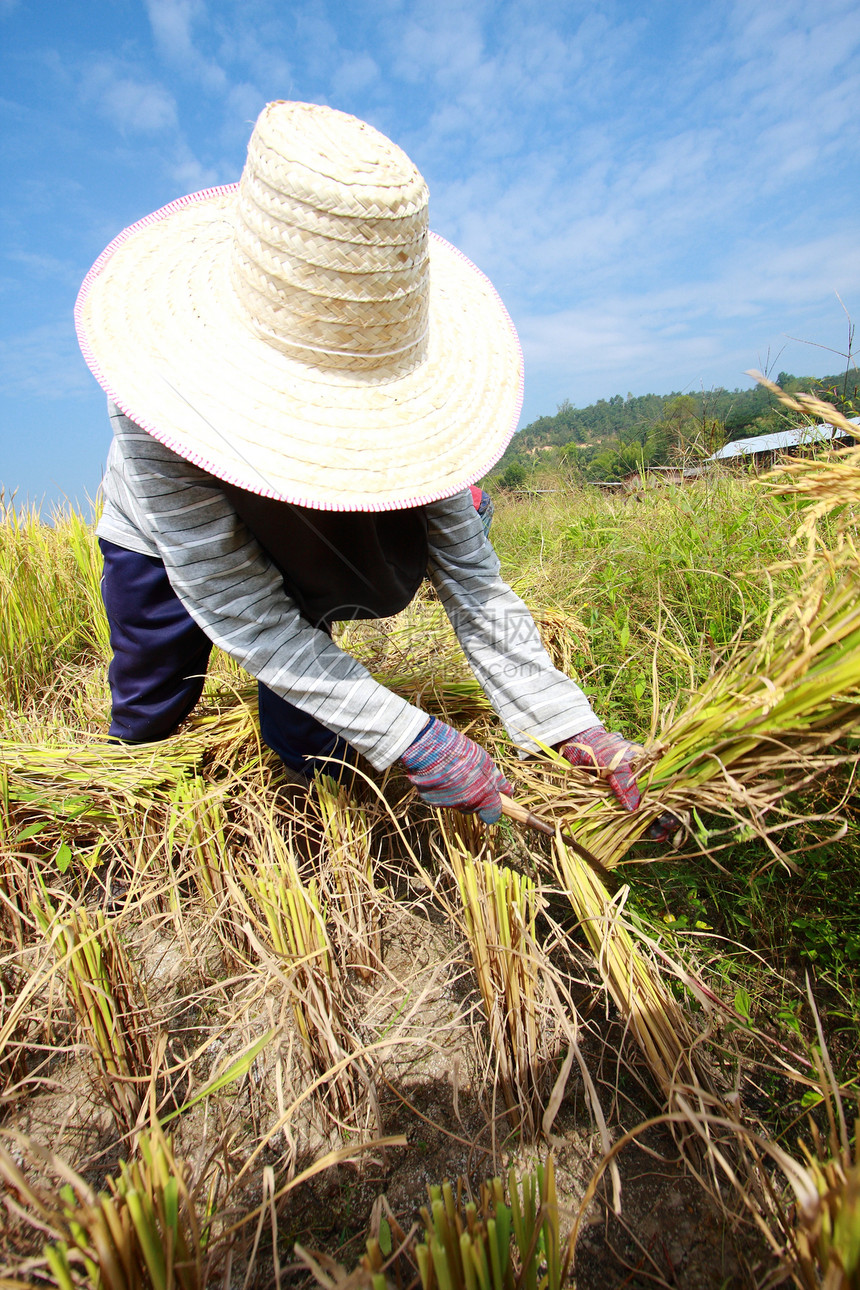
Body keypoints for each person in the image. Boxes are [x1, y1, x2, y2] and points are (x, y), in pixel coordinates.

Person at [75, 100, 664, 833]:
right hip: (160, 542)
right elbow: (240, 606)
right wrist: (412, 736)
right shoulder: (159, 399)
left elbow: (477, 591)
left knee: (310, 700)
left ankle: (314, 790)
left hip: (315, 521)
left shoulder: (419, 438)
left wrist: (570, 725)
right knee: (152, 694)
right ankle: (118, 811)